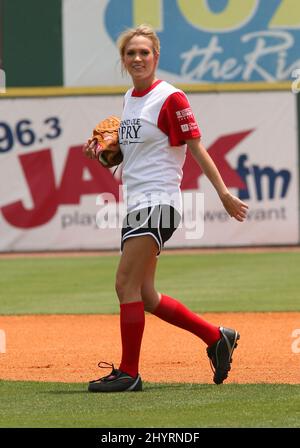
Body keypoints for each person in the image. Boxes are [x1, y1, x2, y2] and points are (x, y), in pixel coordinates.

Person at [83, 24, 248, 393]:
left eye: (144, 52)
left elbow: (196, 147)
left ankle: (129, 373)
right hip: (136, 202)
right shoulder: (129, 99)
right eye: (131, 53)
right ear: (123, 60)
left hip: (159, 202)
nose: (138, 58)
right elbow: (131, 159)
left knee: (123, 283)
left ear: (156, 57)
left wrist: (222, 193)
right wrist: (102, 155)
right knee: (145, 295)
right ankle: (216, 337)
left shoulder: (171, 98)